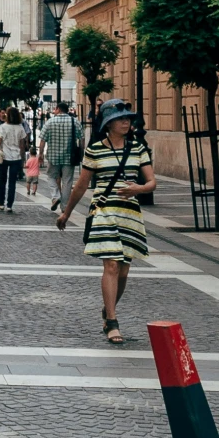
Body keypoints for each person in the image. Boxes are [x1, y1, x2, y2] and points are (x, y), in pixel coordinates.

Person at [55, 100, 154, 346]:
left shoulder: (138, 148)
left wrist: (138, 188)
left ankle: (108, 309)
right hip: (104, 211)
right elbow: (81, 185)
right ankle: (112, 320)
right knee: (110, 266)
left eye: (128, 118)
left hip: (129, 213)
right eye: (120, 118)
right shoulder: (96, 150)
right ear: (108, 124)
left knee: (123, 271)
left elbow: (152, 181)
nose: (126, 122)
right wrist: (67, 213)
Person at [37, 103, 83, 209]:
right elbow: (81, 138)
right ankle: (64, 206)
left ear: (58, 109)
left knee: (51, 176)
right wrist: (81, 153)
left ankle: (56, 196)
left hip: (53, 156)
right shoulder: (75, 121)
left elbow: (43, 140)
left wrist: (40, 154)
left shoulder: (50, 122)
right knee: (67, 181)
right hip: (69, 156)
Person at [0, 109, 28, 212]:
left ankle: (1, 203)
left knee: (2, 180)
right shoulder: (20, 127)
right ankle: (9, 205)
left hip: (4, 157)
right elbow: (22, 145)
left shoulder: (2, 127)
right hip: (16, 157)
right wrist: (22, 159)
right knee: (12, 182)